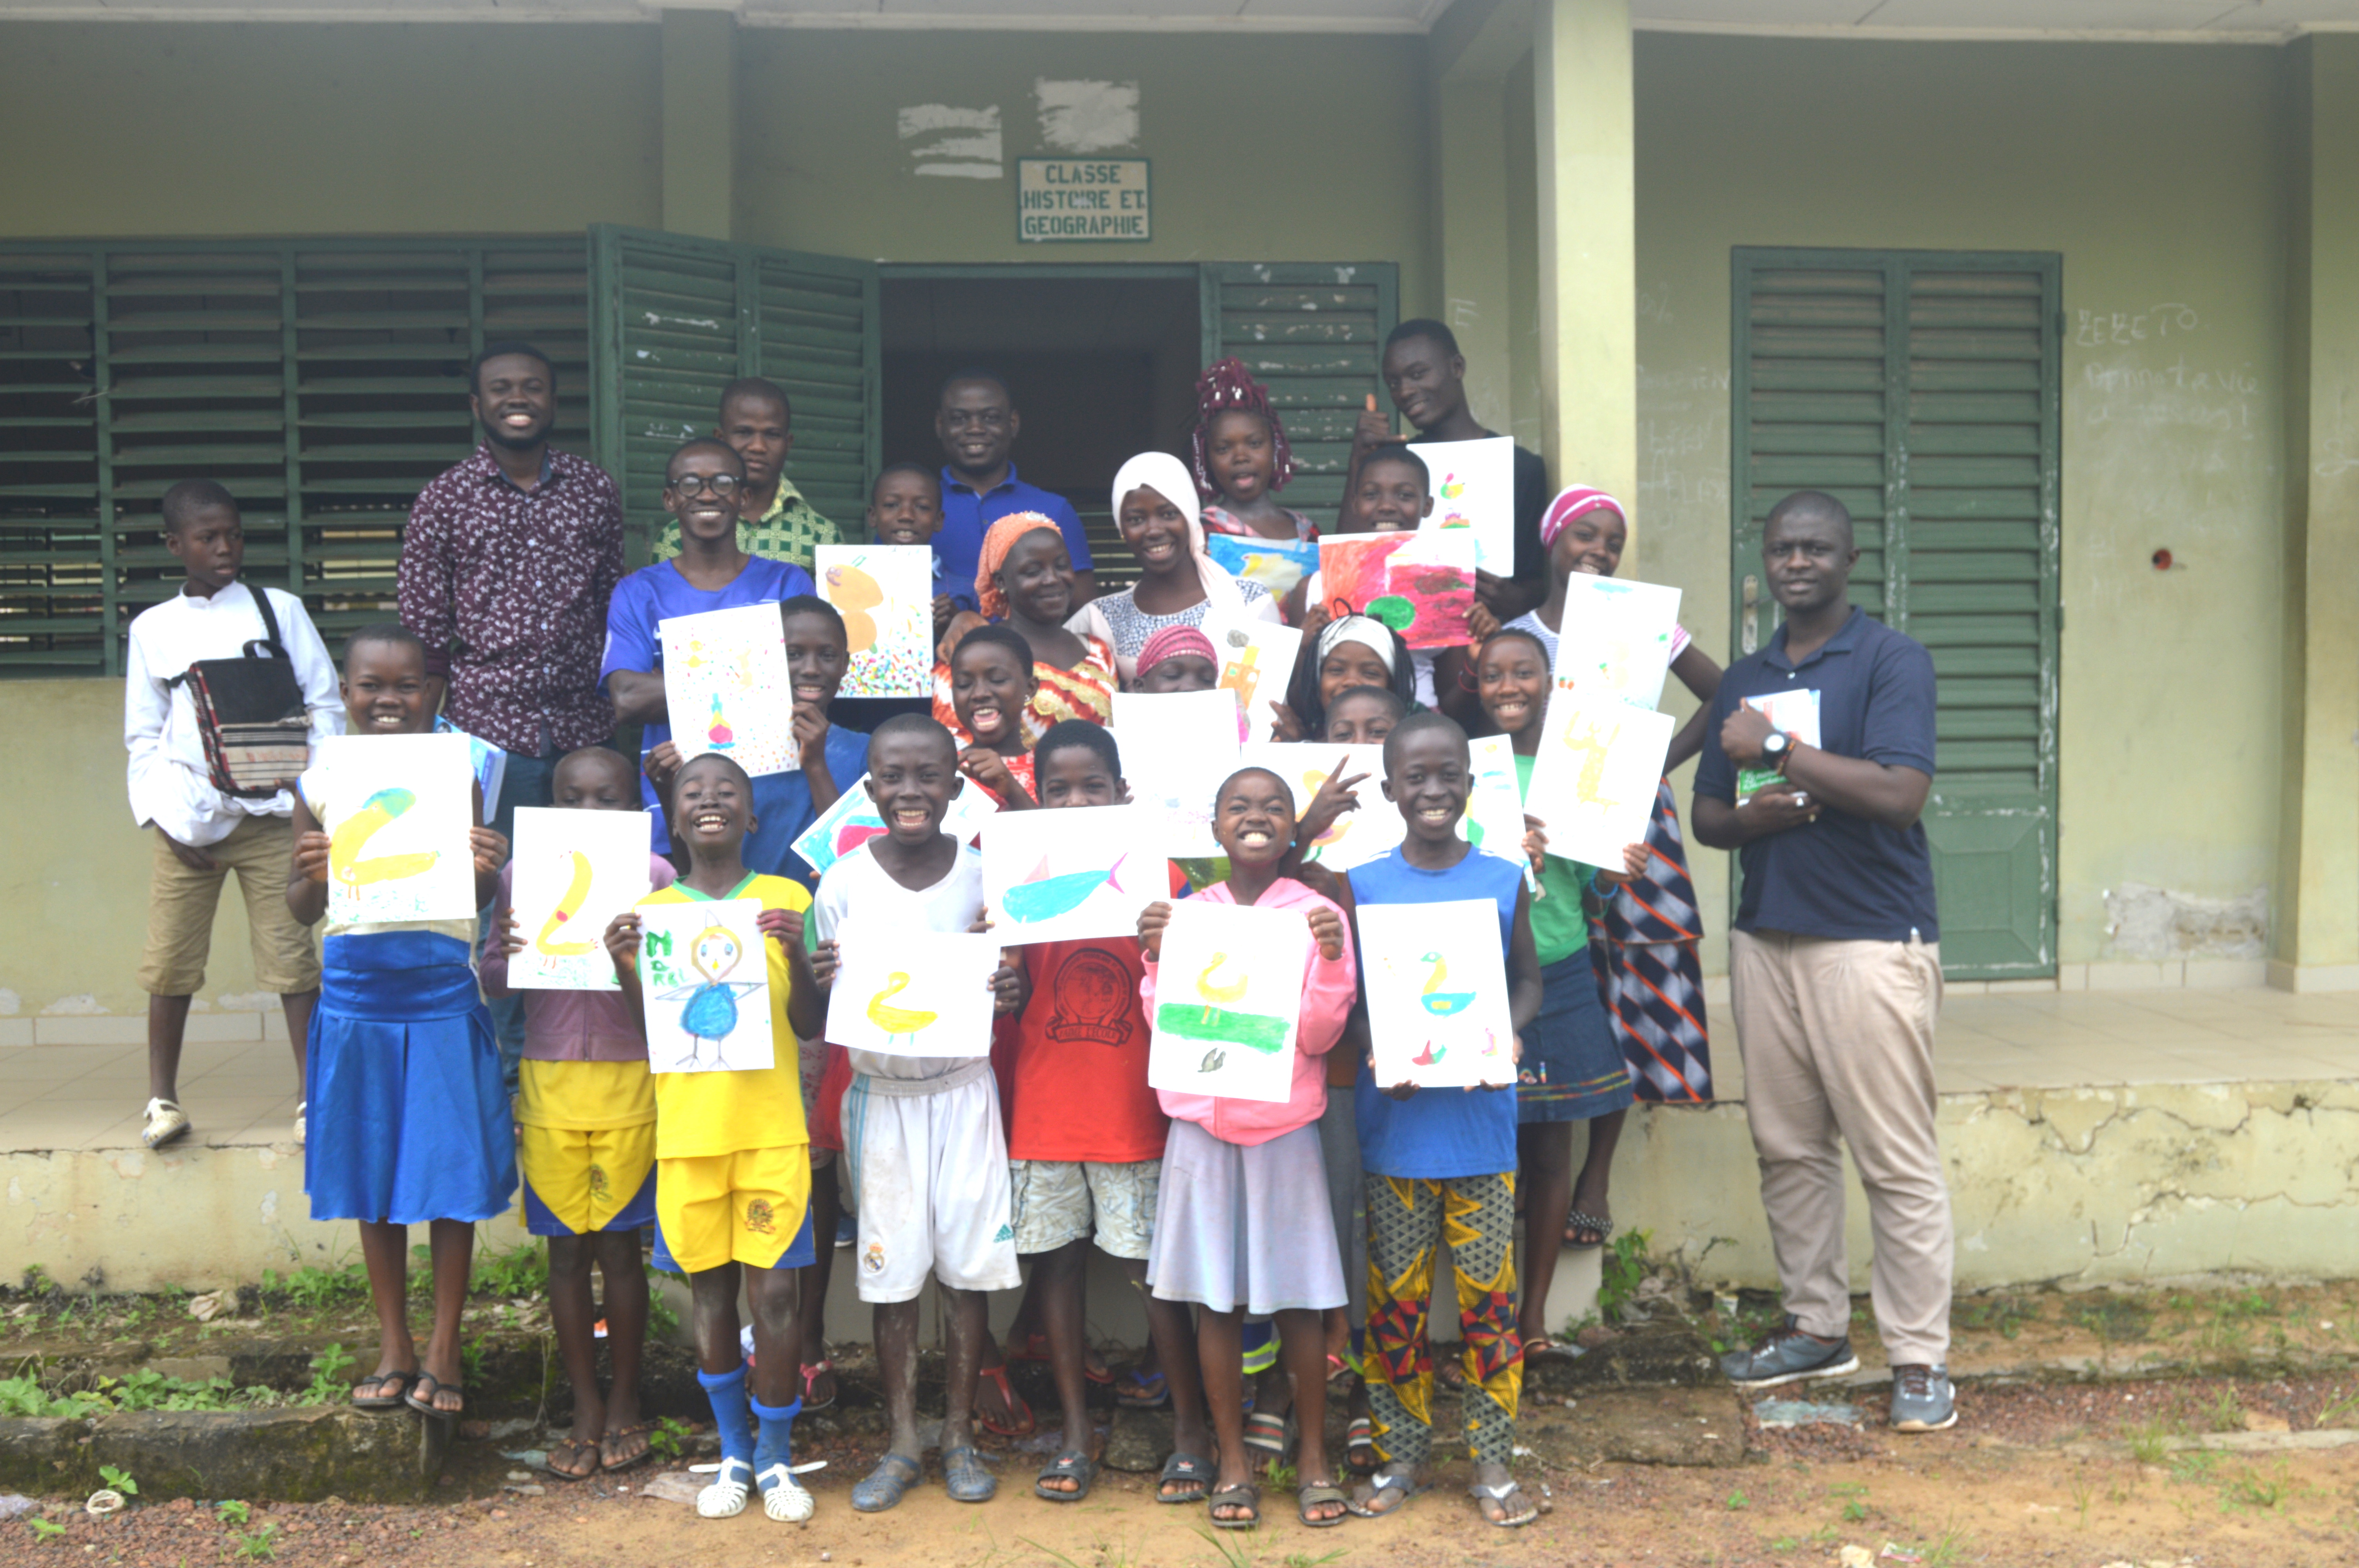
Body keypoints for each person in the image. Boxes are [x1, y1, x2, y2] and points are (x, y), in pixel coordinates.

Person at [1692, 490, 1954, 1434]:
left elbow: (1898, 794)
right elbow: (1708, 817)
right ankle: (1815, 1325)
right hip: (1768, 936)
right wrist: (1752, 809)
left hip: (1869, 940)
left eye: (1814, 548)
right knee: (1789, 1148)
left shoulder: (1890, 661)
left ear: (1848, 558)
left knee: (1894, 1155)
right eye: (1780, 548)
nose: (1795, 561)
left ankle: (1919, 1357)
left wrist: (1776, 749)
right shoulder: (1747, 674)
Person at [287, 623, 513, 1421]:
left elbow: (475, 901)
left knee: (449, 1174)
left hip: (440, 997)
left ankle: (445, 1343)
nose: (389, 700)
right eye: (370, 686)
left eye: (407, 685)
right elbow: (300, 904)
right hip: (355, 999)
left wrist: (488, 866)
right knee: (370, 1173)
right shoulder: (320, 777)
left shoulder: (465, 772)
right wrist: (313, 870)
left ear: (436, 691)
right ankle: (394, 1342)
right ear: (344, 693)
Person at [807, 717, 1025, 1511]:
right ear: (868, 787)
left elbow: (1013, 983)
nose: (910, 790)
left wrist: (1012, 989)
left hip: (965, 1091)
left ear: (954, 785)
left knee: (968, 1269)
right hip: (884, 1099)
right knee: (891, 1273)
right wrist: (820, 974)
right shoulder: (841, 885)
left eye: (928, 775)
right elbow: (814, 1007)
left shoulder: (981, 876)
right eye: (893, 776)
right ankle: (902, 1439)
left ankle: (958, 1433)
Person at [1138, 766, 1359, 1531]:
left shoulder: (1317, 915)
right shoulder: (1186, 914)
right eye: (1239, 805)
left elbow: (1317, 1036)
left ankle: (1311, 1457)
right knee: (1215, 1296)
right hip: (1200, 1130)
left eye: (1273, 807)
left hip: (1283, 1132)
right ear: (1215, 827)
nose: (1256, 816)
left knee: (1297, 1297)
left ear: (1293, 827)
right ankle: (1230, 1457)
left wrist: (1330, 961)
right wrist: (1155, 959)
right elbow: (1166, 1024)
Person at [397, 341, 625, 1082]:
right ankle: (501, 1067)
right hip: (490, 736)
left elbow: (612, 605)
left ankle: (588, 1055)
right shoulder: (445, 498)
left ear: (553, 402)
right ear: (477, 405)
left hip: (586, 732)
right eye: (500, 388)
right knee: (502, 902)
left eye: (532, 387)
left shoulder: (594, 491)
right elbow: (426, 639)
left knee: (596, 889)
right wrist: (425, 753)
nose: (517, 398)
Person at [610, 750, 825, 1523]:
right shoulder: (653, 911)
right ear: (672, 817)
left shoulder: (782, 896)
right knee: (709, 1292)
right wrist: (627, 966)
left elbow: (809, 1023)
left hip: (769, 1132)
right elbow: (653, 1037)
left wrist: (797, 951)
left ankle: (775, 1455)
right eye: (692, 791)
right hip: (690, 1136)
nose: (709, 799)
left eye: (726, 790)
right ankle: (732, 1448)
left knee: (774, 1292)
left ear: (752, 813)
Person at [1000, 721, 1211, 1505]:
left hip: (1133, 1110)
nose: (1077, 800)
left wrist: (1171, 936)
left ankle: (1190, 1427)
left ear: (1123, 793)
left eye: (1094, 786)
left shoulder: (1163, 876)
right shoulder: (1019, 873)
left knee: (1155, 1275)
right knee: (1054, 1267)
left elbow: (1203, 984)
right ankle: (1078, 1432)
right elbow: (1001, 984)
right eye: (1060, 789)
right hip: (1046, 1107)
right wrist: (1001, 983)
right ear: (1042, 797)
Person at [1341, 712, 1542, 1526]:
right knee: (1395, 1304)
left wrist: (1513, 1028)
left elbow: (1525, 979)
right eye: (1414, 777)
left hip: (1480, 1127)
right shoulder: (1361, 884)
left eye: (1446, 773)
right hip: (1396, 1130)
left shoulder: (1502, 877)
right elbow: (1351, 999)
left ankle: (1491, 1457)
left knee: (1488, 1300)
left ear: (1469, 781)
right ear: (1389, 789)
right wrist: (1373, 1051)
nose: (1432, 789)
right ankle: (1399, 1455)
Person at [125, 479, 342, 1150]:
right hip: (190, 823)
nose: (225, 547)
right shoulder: (153, 629)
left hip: (278, 819)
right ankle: (163, 1099)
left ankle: (313, 1100)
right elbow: (143, 736)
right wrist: (163, 818)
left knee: (291, 960)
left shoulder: (278, 611)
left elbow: (326, 707)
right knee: (170, 961)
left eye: (234, 534)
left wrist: (315, 807)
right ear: (174, 545)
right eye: (207, 537)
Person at [478, 746, 675, 1481]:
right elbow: (498, 983)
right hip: (551, 1082)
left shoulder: (658, 880)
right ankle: (583, 1407)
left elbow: (672, 993)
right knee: (566, 1253)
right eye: (571, 799)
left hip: (631, 1081)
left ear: (635, 814)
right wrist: (498, 954)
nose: (588, 813)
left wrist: (636, 957)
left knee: (623, 1248)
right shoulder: (516, 880)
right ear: (548, 809)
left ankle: (625, 1400)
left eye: (606, 800)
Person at [1506, 485, 1717, 1169]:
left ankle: (1595, 1182)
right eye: (1584, 536)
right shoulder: (1519, 634)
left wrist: (1658, 763)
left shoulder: (1644, 624)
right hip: (1544, 827)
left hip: (1624, 818)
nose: (1598, 551)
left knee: (1630, 976)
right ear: (1552, 541)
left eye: (1612, 542)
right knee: (1575, 974)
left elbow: (1725, 690)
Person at [1470, 627, 1647, 1354]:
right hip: (1478, 971)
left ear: (1552, 683)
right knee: (1491, 1154)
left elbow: (1593, 890)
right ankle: (1489, 1323)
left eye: (1524, 672)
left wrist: (1615, 868)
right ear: (1473, 687)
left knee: (1551, 1155)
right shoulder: (1465, 768)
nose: (1508, 686)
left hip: (1562, 968)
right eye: (1493, 675)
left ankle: (1532, 1323)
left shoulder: (1579, 766)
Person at [602, 437, 818, 847]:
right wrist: (753, 674)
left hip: (776, 795)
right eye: (690, 483)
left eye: (722, 482)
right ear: (669, 499)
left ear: (744, 496)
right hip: (677, 798)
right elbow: (627, 698)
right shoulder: (637, 592)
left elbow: (806, 684)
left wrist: (667, 679)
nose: (706, 494)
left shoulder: (789, 582)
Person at [1352, 319, 1549, 621]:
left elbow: (1541, 576)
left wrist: (1518, 599)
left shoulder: (1521, 467)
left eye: (1418, 375)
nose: (1404, 392)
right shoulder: (1395, 468)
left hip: (1494, 642)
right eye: (1394, 383)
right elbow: (1349, 558)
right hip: (1413, 638)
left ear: (1457, 367)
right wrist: (1359, 459)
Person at [1067, 452, 1279, 684]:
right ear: (1122, 530)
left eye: (1169, 514)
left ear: (1189, 516)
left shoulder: (1251, 600)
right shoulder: (1102, 618)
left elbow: (1269, 700)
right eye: (1136, 520)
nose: (1154, 530)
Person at [932, 512, 1118, 742]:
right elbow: (953, 755)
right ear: (1001, 581)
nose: (1052, 579)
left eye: (1062, 566)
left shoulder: (1098, 652)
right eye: (1033, 572)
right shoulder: (970, 656)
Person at [934, 371, 1098, 607]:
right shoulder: (913, 512)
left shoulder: (1055, 510)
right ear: (940, 425)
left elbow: (1086, 616)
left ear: (1013, 423)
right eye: (959, 419)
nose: (975, 429)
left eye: (990, 418)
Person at [654, 377, 841, 572]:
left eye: (772, 435)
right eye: (744, 432)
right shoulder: (675, 537)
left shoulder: (821, 536)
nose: (758, 447)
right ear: (721, 438)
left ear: (788, 443)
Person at [1190, 358, 1318, 542]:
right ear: (1207, 459)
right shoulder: (1200, 534)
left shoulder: (1307, 531)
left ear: (1276, 447)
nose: (1241, 457)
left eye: (1255, 443)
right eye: (1224, 449)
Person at [943, 624, 1039, 809]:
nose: (980, 694)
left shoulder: (1053, 768)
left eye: (998, 680)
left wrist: (1013, 791)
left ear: (1030, 688)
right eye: (964, 684)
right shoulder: (942, 770)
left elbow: (1059, 838)